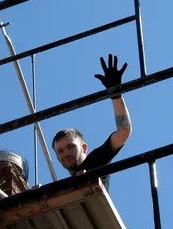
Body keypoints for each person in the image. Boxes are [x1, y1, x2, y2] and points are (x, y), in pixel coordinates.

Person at [52, 54, 132, 191]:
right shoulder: (65, 188)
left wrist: (116, 95)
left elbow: (123, 132)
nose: (66, 153)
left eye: (71, 146)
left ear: (84, 148)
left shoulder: (96, 160)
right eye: (60, 151)